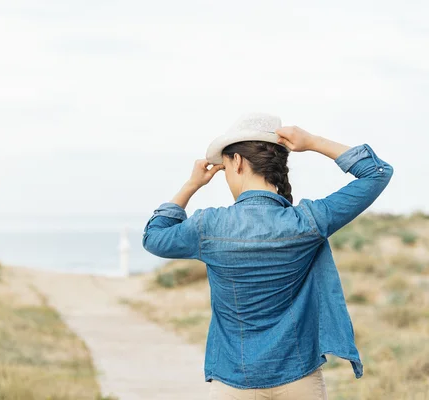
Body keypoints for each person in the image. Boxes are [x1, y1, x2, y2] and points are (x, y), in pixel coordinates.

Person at [142, 113, 394, 400]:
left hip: (234, 381)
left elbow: (154, 237)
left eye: (224, 168)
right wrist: (313, 142)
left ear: (237, 162)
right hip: (299, 378)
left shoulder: (208, 226)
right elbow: (377, 173)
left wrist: (192, 184)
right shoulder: (309, 221)